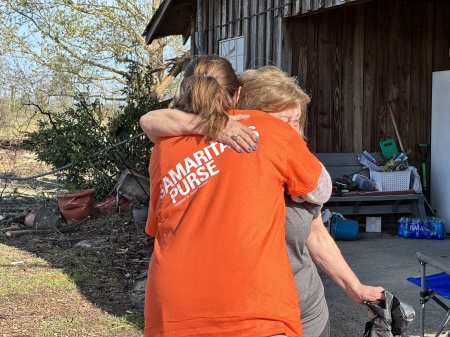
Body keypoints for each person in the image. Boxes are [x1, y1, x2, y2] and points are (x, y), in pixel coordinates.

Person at [140, 65, 385, 337]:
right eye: (285, 119)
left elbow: (316, 234)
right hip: (258, 312)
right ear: (240, 99)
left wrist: (356, 288)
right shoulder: (268, 133)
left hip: (178, 310)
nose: (293, 129)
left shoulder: (165, 146)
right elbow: (321, 188)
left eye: (297, 120)